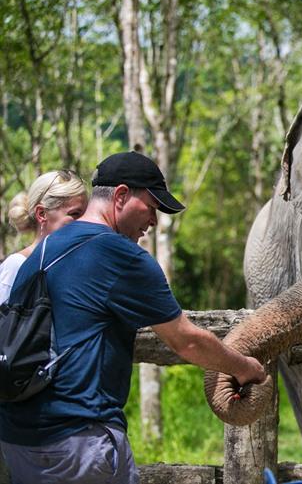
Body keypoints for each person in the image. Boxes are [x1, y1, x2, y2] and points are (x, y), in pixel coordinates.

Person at [0, 151, 266, 484]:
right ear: (121, 195)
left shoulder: (40, 250)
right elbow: (186, 340)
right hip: (80, 440)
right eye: (152, 206)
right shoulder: (120, 254)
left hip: (20, 440)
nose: (154, 221)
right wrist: (246, 368)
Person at [0, 170, 88, 304]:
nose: (85, 221)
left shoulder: (79, 263)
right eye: (75, 214)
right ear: (42, 214)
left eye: (86, 214)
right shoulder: (16, 266)